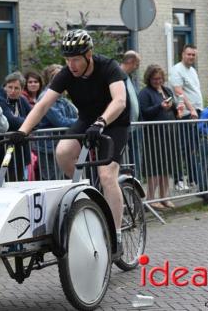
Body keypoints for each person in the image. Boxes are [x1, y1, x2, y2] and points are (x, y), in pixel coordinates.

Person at [11, 29, 130, 253]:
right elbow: (43, 105)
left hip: (114, 122)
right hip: (87, 119)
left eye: (75, 59)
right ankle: (89, 194)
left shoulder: (108, 67)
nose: (71, 65)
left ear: (89, 55)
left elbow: (120, 100)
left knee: (106, 175)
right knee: (63, 152)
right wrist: (23, 131)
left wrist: (102, 122)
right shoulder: (66, 74)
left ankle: (116, 236)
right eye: (67, 59)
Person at [138, 65, 177, 210]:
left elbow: (173, 104)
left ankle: (164, 197)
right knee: (154, 167)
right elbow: (144, 112)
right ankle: (151, 199)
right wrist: (160, 107)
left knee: (166, 167)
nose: (158, 81)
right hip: (154, 135)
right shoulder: (145, 93)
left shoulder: (166, 90)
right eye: (155, 79)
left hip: (169, 134)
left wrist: (174, 107)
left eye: (160, 78)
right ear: (149, 78)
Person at [169, 44, 203, 191]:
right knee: (181, 148)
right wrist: (191, 109)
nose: (191, 57)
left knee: (192, 148)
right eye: (189, 54)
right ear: (182, 54)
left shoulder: (193, 70)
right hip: (186, 114)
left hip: (196, 113)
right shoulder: (176, 70)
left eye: (193, 55)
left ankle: (192, 179)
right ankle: (178, 180)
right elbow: (179, 92)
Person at [37, 64, 78, 180]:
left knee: (66, 180)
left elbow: (75, 115)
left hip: (62, 145)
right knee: (53, 180)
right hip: (49, 147)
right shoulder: (46, 97)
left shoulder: (62, 97)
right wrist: (82, 121)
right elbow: (60, 122)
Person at [0, 72, 32, 181]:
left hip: (21, 148)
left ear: (22, 90)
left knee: (20, 179)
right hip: (5, 148)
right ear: (4, 87)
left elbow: (37, 119)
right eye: (9, 87)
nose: (12, 91)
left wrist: (29, 122)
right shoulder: (0, 100)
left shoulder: (22, 100)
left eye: (16, 88)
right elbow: (10, 120)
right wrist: (29, 123)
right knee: (6, 179)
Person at [120, 51, 142, 178]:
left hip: (134, 126)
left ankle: (136, 182)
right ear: (131, 62)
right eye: (137, 64)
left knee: (135, 157)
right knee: (123, 157)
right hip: (124, 125)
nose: (137, 67)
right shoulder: (118, 76)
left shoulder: (129, 77)